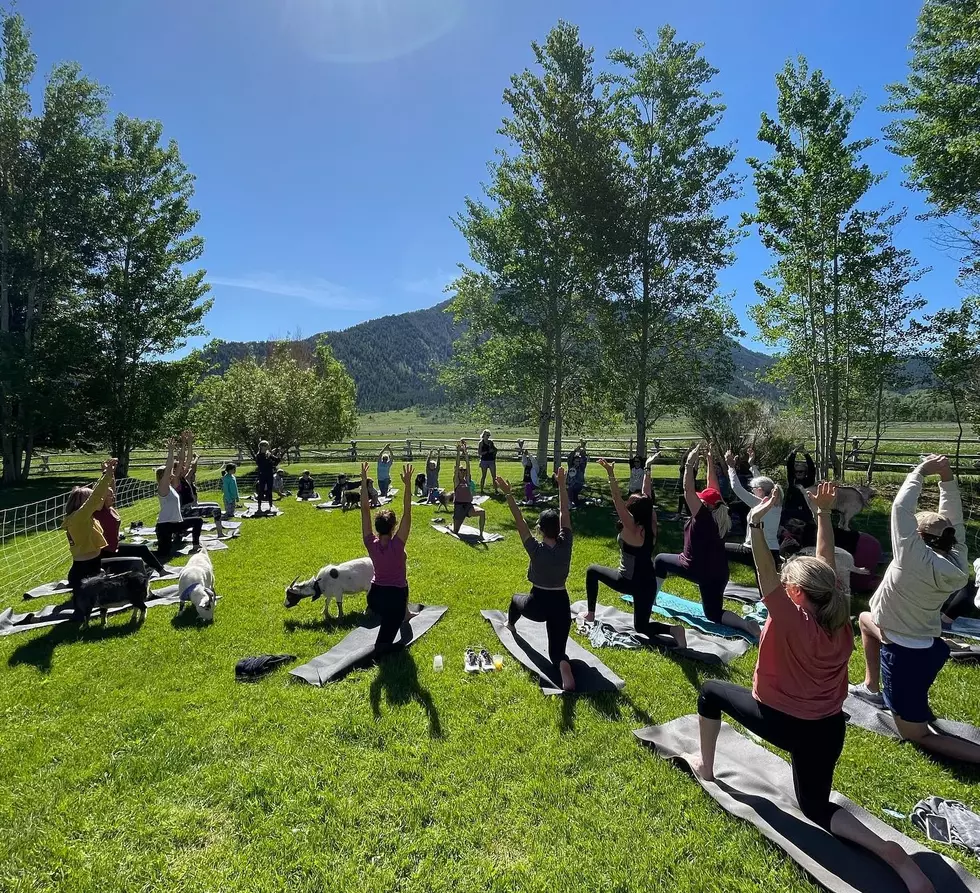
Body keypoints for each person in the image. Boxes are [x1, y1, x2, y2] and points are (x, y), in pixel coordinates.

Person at [690, 482, 935, 893]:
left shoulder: (790, 617)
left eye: (789, 586)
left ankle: (707, 767)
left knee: (711, 692)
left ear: (797, 593)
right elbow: (824, 563)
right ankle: (889, 851)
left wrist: (753, 526)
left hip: (784, 723)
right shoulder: (836, 615)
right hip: (827, 730)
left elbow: (766, 573)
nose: (783, 588)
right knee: (817, 806)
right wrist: (822, 514)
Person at [850, 455, 980, 764]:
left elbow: (899, 509)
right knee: (866, 620)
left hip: (904, 654)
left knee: (916, 733)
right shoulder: (957, 558)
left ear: (918, 537)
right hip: (927, 645)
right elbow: (954, 520)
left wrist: (919, 472)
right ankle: (871, 686)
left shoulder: (911, 556)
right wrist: (946, 479)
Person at [654, 447, 760, 638]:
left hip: (695, 569)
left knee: (660, 560)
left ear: (707, 505)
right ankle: (746, 625)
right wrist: (710, 460)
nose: (699, 500)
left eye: (702, 500)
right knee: (713, 613)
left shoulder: (703, 517)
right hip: (719, 574)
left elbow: (688, 491)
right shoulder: (722, 513)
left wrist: (689, 463)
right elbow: (713, 488)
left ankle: (650, 599)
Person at [582, 458, 686, 648]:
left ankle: (590, 613)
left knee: (591, 570)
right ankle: (674, 630)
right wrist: (647, 468)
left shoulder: (631, 526)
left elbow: (616, 500)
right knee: (641, 626)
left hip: (627, 582)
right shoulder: (651, 523)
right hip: (648, 584)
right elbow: (647, 495)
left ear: (633, 511)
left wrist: (611, 474)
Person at [500, 467, 576, 692]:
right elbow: (565, 513)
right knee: (557, 652)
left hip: (538, 603)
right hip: (562, 603)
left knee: (515, 599)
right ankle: (563, 666)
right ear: (558, 530)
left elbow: (519, 520)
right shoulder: (567, 544)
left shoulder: (535, 549)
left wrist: (508, 493)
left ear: (541, 530)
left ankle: (510, 624)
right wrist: (561, 484)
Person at [360, 461, 416, 654]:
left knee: (402, 576)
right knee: (382, 646)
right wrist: (408, 484)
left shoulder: (370, 543)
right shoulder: (398, 544)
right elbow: (408, 512)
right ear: (394, 527)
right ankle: (400, 617)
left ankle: (401, 615)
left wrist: (363, 481)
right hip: (394, 600)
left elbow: (365, 510)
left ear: (377, 528)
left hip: (374, 598)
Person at [62, 458, 117, 595]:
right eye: (89, 500)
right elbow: (95, 498)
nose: (99, 500)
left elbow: (98, 496)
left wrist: (107, 474)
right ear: (83, 503)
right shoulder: (78, 518)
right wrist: (107, 475)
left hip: (94, 567)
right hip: (83, 572)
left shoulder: (84, 517)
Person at [724, 448, 782, 571]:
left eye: (753, 489)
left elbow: (736, 487)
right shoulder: (777, 503)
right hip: (773, 550)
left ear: (760, 491)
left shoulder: (759, 503)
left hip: (753, 550)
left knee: (716, 547)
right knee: (766, 587)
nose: (751, 490)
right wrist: (752, 465)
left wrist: (731, 467)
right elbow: (765, 484)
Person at [94, 483, 167, 576]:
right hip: (106, 551)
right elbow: (97, 493)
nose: (113, 497)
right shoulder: (98, 511)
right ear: (102, 497)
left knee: (142, 549)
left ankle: (161, 571)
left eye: (113, 495)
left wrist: (110, 474)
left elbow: (112, 487)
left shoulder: (111, 508)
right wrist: (105, 477)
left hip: (115, 546)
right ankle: (161, 571)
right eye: (109, 495)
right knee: (141, 549)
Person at [155, 439, 203, 555]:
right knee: (163, 554)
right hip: (165, 525)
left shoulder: (171, 487)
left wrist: (184, 444)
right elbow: (169, 467)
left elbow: (181, 462)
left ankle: (195, 545)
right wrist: (171, 451)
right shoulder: (163, 487)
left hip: (175, 523)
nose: (172, 474)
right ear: (163, 476)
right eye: (169, 473)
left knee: (198, 521)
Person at [781, 447, 817, 539]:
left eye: (801, 471)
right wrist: (793, 453)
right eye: (796, 471)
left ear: (805, 472)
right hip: (790, 511)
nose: (798, 473)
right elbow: (789, 466)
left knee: (808, 528)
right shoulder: (792, 481)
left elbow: (812, 469)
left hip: (805, 511)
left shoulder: (808, 481)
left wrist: (806, 454)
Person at [452, 442, 486, 538]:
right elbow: (457, 463)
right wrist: (458, 452)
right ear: (457, 472)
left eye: (464, 470)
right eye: (461, 470)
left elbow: (468, 466)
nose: (463, 471)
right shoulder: (457, 481)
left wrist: (466, 453)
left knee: (482, 512)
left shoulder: (467, 480)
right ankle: (454, 523)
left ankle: (481, 534)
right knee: (455, 532)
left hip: (468, 506)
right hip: (459, 506)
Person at [255, 440, 281, 514]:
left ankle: (270, 506)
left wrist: (278, 456)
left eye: (267, 446)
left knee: (270, 490)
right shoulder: (259, 455)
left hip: (269, 474)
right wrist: (270, 455)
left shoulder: (268, 454)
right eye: (265, 446)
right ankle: (259, 507)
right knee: (261, 490)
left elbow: (275, 462)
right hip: (262, 474)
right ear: (261, 446)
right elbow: (263, 464)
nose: (267, 447)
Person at [477, 429, 498, 495]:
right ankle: (481, 490)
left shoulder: (491, 442)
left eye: (489, 435)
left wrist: (493, 451)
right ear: (483, 435)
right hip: (484, 461)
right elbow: (479, 453)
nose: (488, 437)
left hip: (491, 460)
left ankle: (496, 490)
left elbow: (495, 450)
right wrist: (486, 452)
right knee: (484, 475)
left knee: (494, 476)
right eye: (487, 435)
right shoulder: (481, 443)